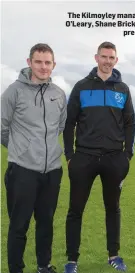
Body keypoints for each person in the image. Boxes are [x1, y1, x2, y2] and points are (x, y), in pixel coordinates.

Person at [63, 41, 135, 273]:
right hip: (83, 157)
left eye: (111, 57)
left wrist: (127, 155)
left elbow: (130, 123)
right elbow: (69, 122)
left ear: (116, 60)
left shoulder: (122, 89)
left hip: (114, 159)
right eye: (104, 57)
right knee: (75, 210)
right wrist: (70, 155)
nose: (107, 61)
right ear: (96, 58)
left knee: (112, 208)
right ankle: (72, 261)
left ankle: (114, 256)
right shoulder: (81, 86)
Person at [1, 43, 66, 273]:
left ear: (53, 65)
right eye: (38, 61)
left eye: (48, 62)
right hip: (22, 170)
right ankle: (16, 269)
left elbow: (59, 127)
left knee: (46, 223)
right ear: (29, 62)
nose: (43, 66)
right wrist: (23, 148)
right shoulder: (13, 92)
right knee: (19, 226)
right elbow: (2, 129)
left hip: (52, 171)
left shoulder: (58, 94)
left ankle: (43, 266)